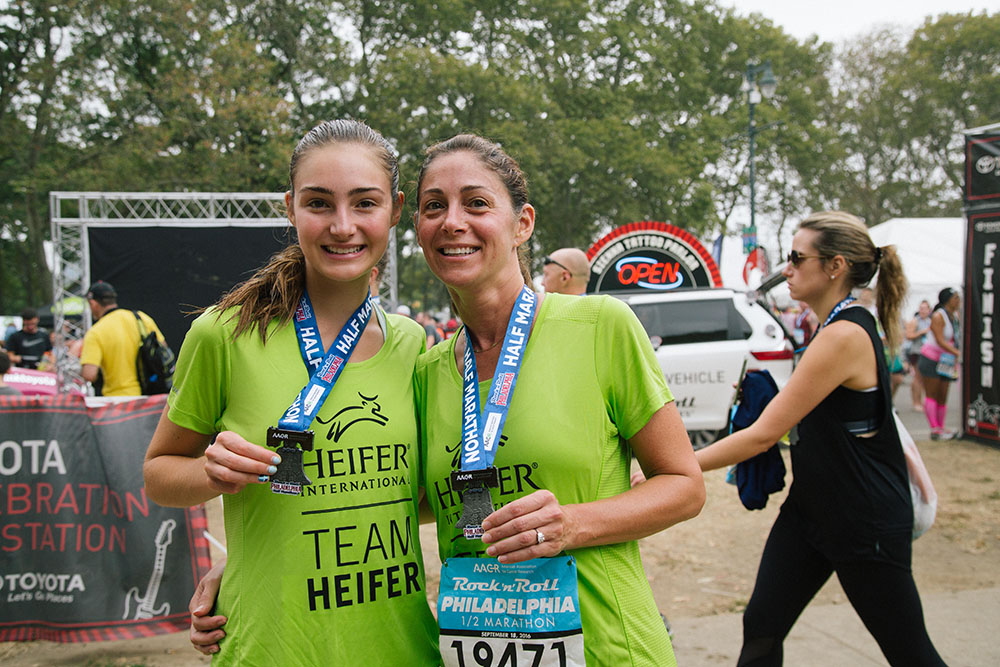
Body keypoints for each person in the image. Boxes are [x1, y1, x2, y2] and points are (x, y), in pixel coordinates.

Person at [143, 120, 439, 664]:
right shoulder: (224, 334)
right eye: (320, 203)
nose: (343, 226)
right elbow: (160, 475)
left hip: (401, 648)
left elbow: (410, 497)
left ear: (396, 210)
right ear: (290, 207)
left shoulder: (413, 344)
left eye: (365, 203)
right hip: (271, 648)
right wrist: (211, 475)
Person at [413, 134, 704, 664]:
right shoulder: (427, 371)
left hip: (607, 648)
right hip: (481, 650)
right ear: (418, 229)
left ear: (522, 223)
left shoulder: (600, 326)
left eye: (476, 203)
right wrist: (257, 556)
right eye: (435, 206)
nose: (452, 221)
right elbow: (413, 503)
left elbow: (684, 486)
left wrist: (572, 523)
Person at [694, 211, 945, 666]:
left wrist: (677, 466)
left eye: (796, 257)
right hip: (812, 511)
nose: (785, 268)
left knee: (910, 652)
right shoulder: (832, 327)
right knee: (762, 627)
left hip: (862, 520)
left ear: (835, 266)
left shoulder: (844, 334)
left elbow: (762, 435)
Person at [79, 281, 169, 396]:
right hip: (151, 395)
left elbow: (89, 374)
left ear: (93, 303)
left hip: (118, 401)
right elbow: (164, 349)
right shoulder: (141, 318)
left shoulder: (96, 332)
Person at [917, 288, 962, 440]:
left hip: (946, 360)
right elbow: (940, 340)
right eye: (956, 298)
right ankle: (934, 429)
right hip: (931, 359)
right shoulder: (938, 316)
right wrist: (958, 353)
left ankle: (941, 427)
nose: (958, 301)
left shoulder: (954, 316)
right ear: (948, 300)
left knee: (943, 394)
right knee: (932, 394)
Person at [904, 300, 932, 411]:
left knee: (925, 378)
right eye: (921, 308)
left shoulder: (931, 321)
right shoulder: (915, 321)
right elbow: (908, 335)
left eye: (925, 308)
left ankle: (923, 401)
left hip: (928, 352)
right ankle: (916, 402)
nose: (923, 311)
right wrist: (921, 333)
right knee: (917, 377)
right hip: (917, 351)